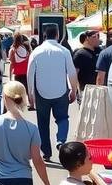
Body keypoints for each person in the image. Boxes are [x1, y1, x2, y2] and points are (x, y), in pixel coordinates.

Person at [26, 25, 79, 162]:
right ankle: (61, 140)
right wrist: (73, 90)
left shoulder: (36, 52)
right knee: (63, 118)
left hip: (41, 92)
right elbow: (72, 73)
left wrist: (30, 94)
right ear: (57, 35)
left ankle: (46, 152)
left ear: (44, 36)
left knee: (43, 123)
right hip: (61, 91)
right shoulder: (64, 51)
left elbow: (30, 74)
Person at [71, 31, 101, 101]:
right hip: (86, 90)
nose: (97, 39)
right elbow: (74, 73)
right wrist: (77, 90)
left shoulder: (100, 51)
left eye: (98, 36)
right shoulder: (80, 54)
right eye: (94, 37)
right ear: (87, 39)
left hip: (99, 89)